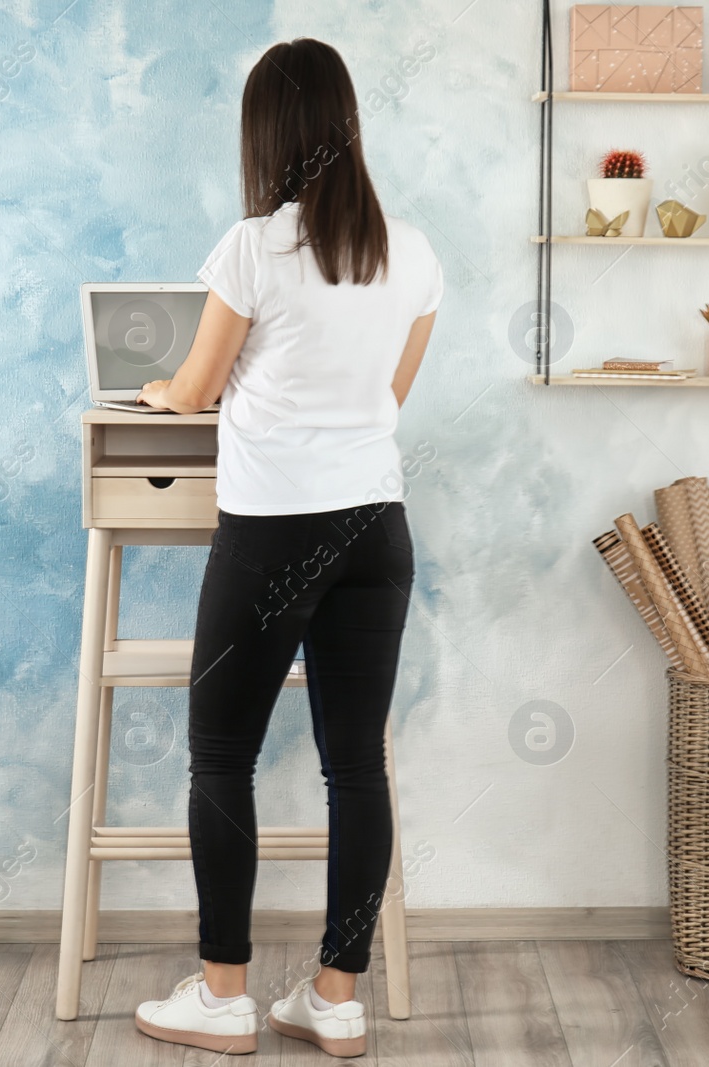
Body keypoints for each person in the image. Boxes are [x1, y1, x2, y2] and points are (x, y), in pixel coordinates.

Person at [128, 36, 442, 1060]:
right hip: (375, 528)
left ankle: (222, 994)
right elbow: (384, 397)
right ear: (345, 125)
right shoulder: (411, 251)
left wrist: (160, 393)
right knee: (356, 767)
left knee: (222, 751)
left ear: (266, 135)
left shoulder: (254, 246)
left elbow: (198, 388)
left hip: (272, 530)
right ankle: (336, 997)